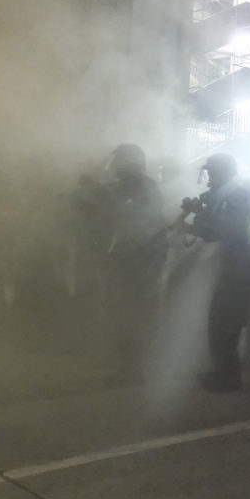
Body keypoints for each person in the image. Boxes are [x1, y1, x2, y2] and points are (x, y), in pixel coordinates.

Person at [185, 153, 250, 392]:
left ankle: (228, 377)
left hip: (240, 267)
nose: (209, 178)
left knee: (224, 323)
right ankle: (223, 372)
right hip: (235, 265)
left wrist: (197, 220)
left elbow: (228, 230)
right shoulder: (229, 194)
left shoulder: (235, 196)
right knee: (220, 322)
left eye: (213, 172)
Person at [101, 143, 168, 382]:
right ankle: (129, 365)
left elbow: (139, 222)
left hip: (141, 260)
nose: (114, 168)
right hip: (131, 258)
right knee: (123, 312)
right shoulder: (128, 187)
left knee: (135, 313)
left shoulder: (142, 187)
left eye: (119, 163)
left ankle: (136, 368)